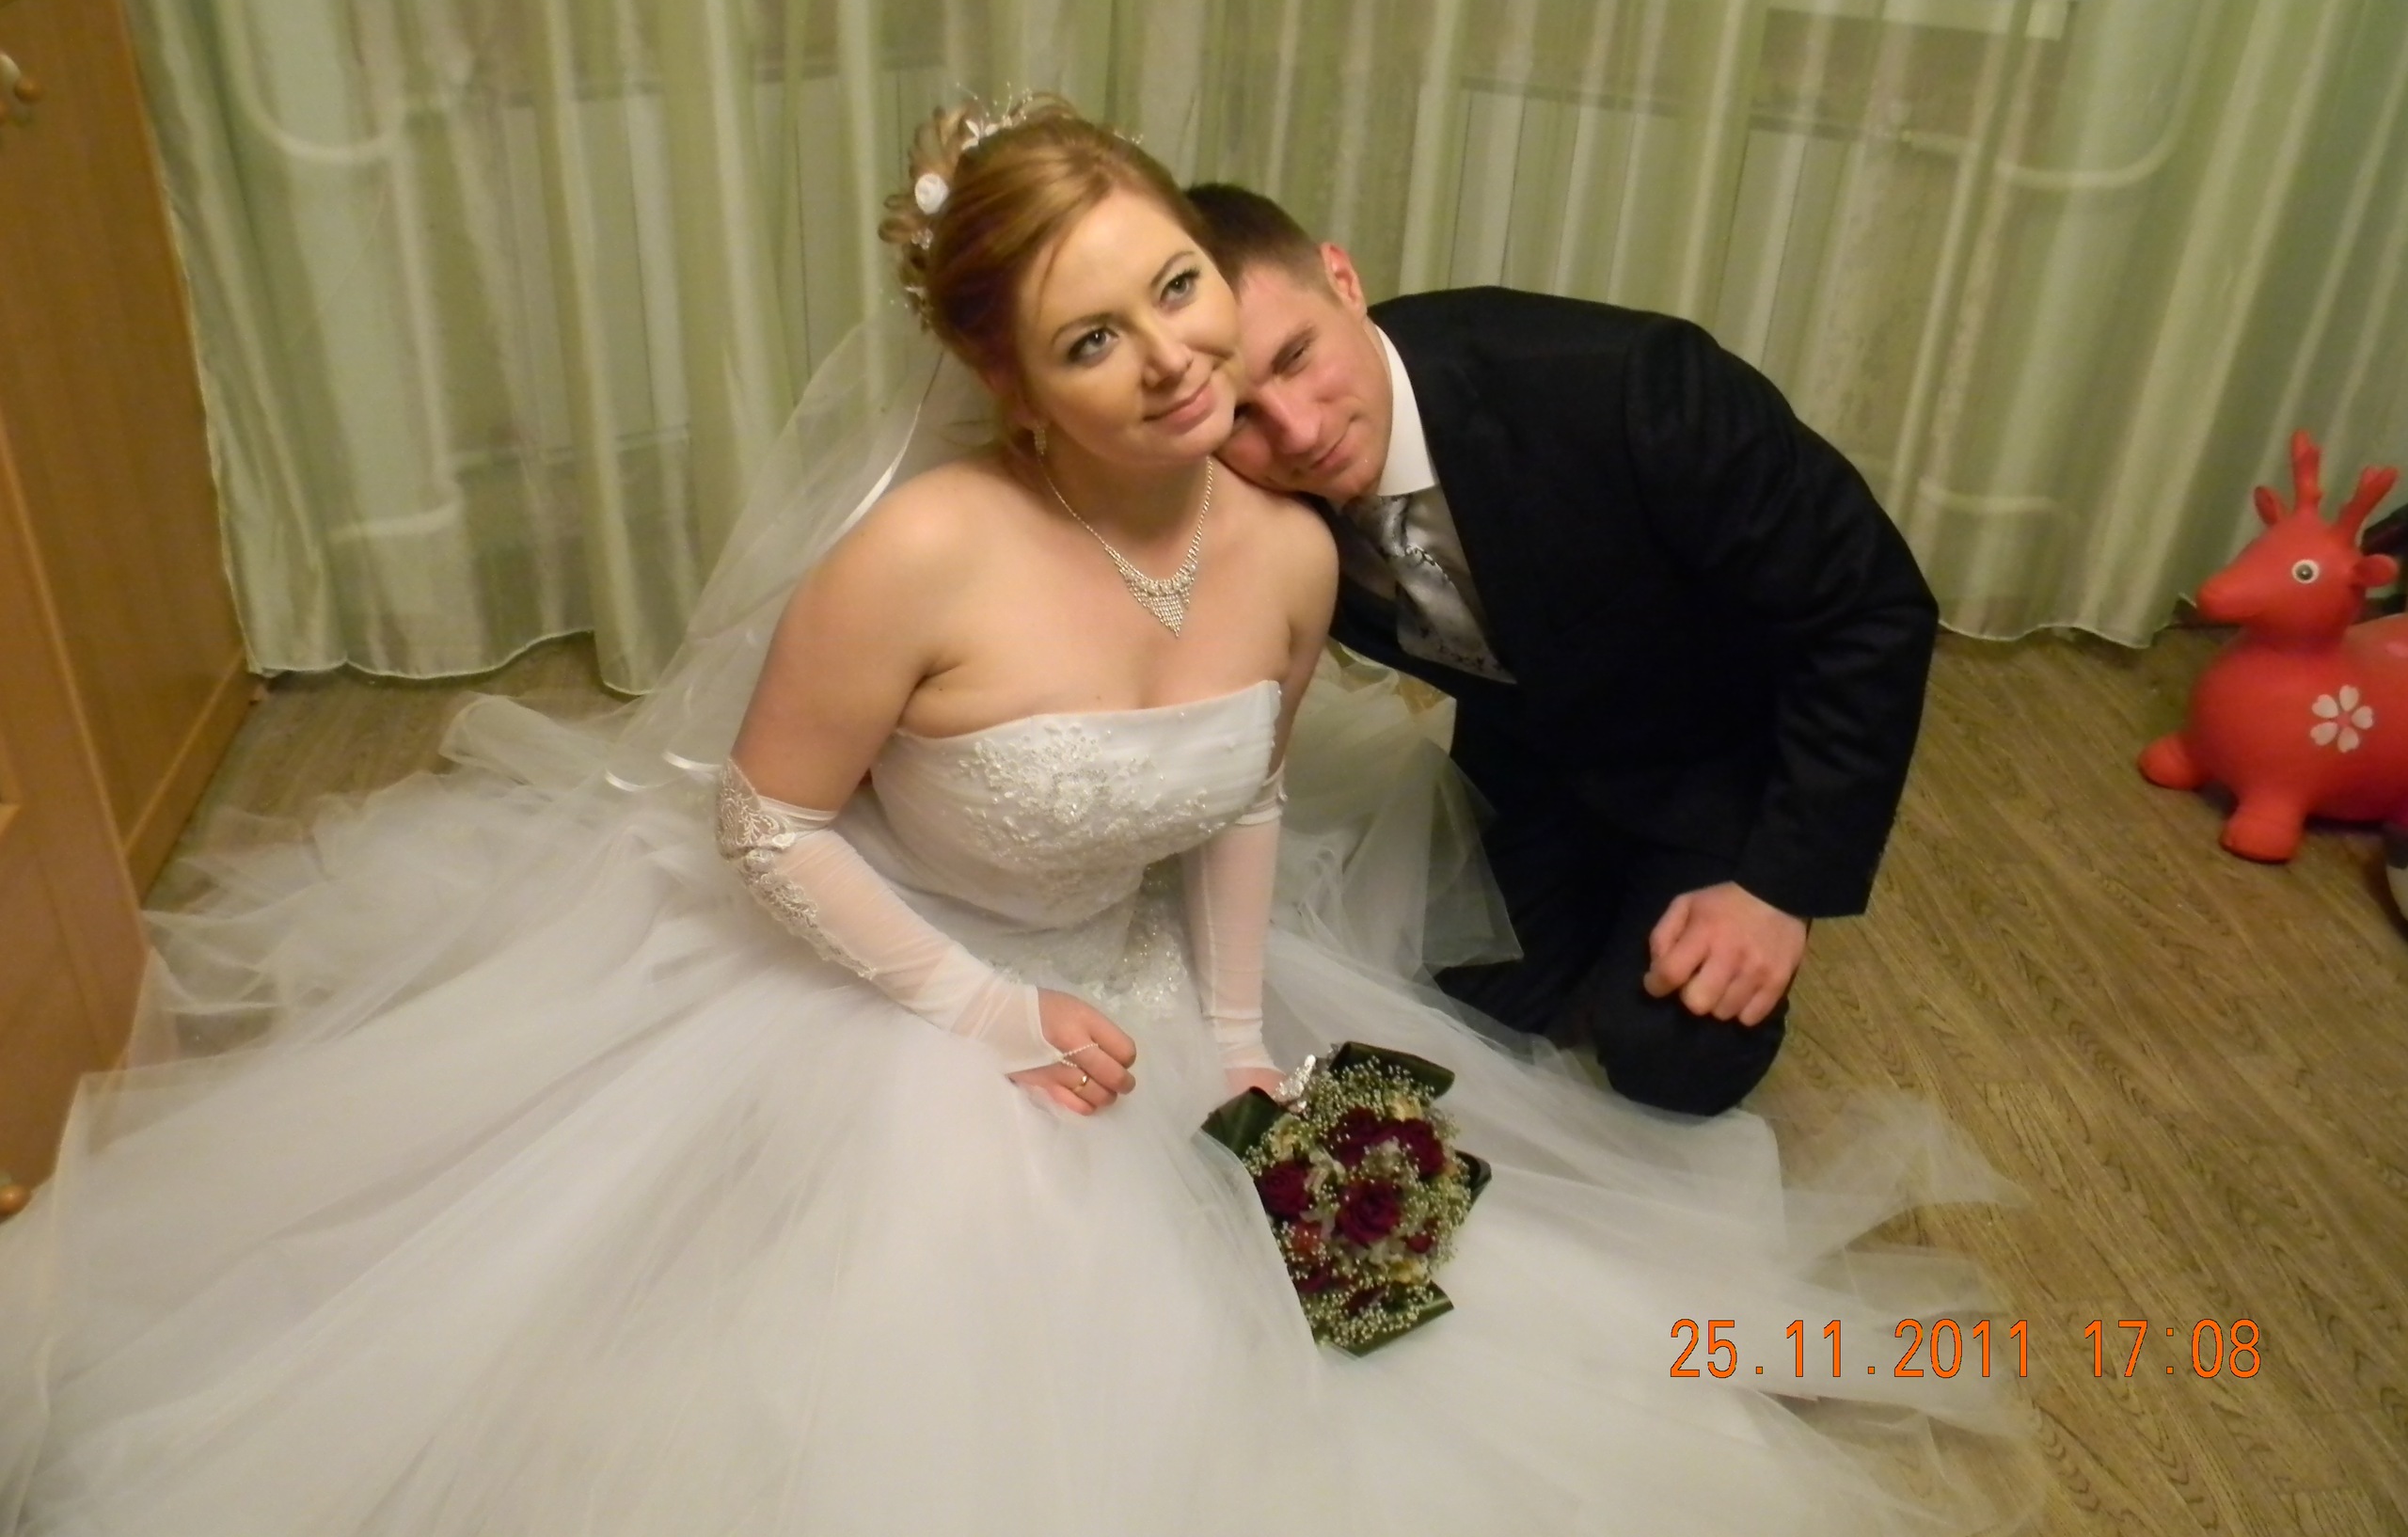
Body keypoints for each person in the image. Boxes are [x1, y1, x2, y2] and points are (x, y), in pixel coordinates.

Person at [0, 100, 2029, 1536]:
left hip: (1145, 966)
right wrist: (983, 1013)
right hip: (903, 975)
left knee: (1417, 1302)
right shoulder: (918, 556)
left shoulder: (1289, 543)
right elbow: (767, 827)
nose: (1175, 366)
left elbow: (1239, 787)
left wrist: (1230, 1032)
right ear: (1009, 382)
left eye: (1176, 288)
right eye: (1090, 340)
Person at [1189, 184, 1939, 1117]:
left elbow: (1869, 610)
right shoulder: (1242, 502)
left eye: (1297, 356)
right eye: (1239, 413)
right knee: (1448, 1015)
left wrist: (1777, 891)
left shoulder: (1629, 387)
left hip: (1715, 761)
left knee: (1674, 1060)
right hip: (1529, 763)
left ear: (1342, 279)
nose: (1297, 431)